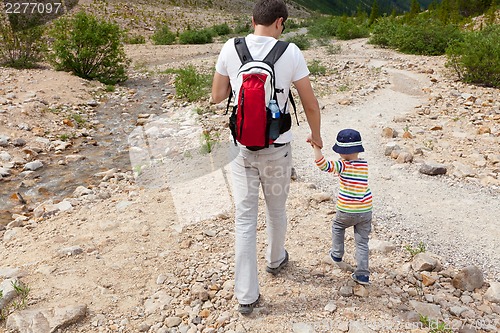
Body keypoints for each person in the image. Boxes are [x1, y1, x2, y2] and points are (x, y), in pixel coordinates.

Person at [211, 0, 322, 315]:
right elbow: (310, 104)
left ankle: (246, 295)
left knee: (245, 218)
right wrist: (317, 137)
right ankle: (275, 260)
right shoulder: (291, 52)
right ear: (281, 23)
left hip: (241, 148)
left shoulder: (231, 48)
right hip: (278, 148)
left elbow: (217, 96)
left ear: (252, 20)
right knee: (276, 209)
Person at [312, 128, 373, 285]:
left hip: (346, 209)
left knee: (338, 227)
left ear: (342, 152)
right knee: (362, 242)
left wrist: (315, 146)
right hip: (365, 210)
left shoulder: (342, 165)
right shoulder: (363, 165)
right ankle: (362, 274)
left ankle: (337, 255)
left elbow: (322, 164)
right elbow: (353, 177)